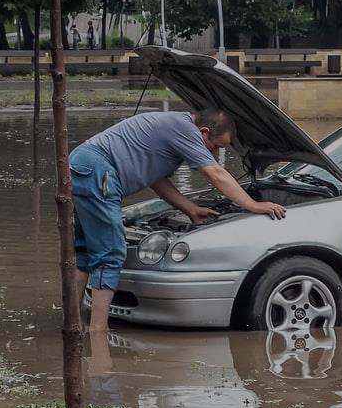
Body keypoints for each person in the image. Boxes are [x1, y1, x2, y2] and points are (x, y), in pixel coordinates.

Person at [70, 109, 286, 332]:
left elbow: (156, 179)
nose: (215, 153)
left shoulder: (174, 126)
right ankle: (98, 331)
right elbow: (216, 174)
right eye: (216, 146)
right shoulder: (184, 129)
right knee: (111, 253)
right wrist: (253, 205)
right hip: (99, 169)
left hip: (83, 164)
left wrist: (190, 209)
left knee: (85, 252)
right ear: (204, 132)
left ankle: (73, 324)